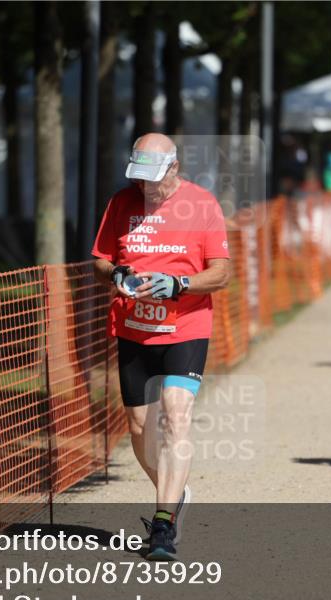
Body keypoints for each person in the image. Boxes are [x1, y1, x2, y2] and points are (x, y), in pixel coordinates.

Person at [92, 133, 231, 560]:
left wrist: (179, 284)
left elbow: (221, 273)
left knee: (175, 414)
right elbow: (99, 257)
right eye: (139, 178)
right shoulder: (121, 203)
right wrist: (115, 273)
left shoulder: (202, 204)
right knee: (138, 429)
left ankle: (164, 525)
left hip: (186, 326)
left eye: (152, 178)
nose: (145, 187)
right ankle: (174, 490)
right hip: (133, 327)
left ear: (173, 167)